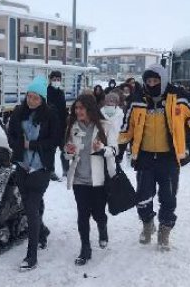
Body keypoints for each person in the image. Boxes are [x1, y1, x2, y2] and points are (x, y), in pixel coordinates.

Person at [119, 64, 190, 251]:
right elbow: (127, 128)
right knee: (142, 197)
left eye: (156, 81)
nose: (152, 84)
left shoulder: (178, 98)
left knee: (168, 198)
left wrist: (188, 129)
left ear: (163, 80)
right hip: (145, 157)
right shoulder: (137, 100)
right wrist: (117, 148)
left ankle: (165, 230)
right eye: (149, 81)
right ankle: (147, 223)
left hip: (169, 158)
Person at [7, 76, 60, 271]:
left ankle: (32, 256)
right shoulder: (19, 112)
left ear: (43, 99)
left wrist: (33, 145)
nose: (31, 101)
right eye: (29, 96)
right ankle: (43, 231)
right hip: (22, 165)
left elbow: (54, 141)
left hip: (40, 167)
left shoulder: (50, 115)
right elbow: (11, 135)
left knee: (30, 206)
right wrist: (20, 145)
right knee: (31, 203)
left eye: (35, 98)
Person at [64, 94, 118, 265]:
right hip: (79, 179)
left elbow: (115, 151)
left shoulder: (105, 126)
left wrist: (102, 149)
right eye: (76, 108)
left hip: (98, 180)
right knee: (82, 215)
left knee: (98, 214)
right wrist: (69, 151)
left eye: (81, 107)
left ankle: (102, 228)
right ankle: (85, 249)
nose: (78, 111)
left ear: (90, 108)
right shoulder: (73, 126)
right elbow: (66, 153)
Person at [47, 70, 68, 181]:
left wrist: (66, 122)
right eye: (54, 79)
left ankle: (66, 170)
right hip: (50, 127)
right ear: (50, 80)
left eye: (58, 80)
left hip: (62, 126)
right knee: (51, 150)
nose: (56, 81)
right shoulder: (46, 92)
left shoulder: (61, 93)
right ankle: (51, 171)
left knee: (64, 149)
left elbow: (63, 109)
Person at [102, 91, 126, 172]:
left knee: (112, 164)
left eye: (113, 100)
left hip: (114, 141)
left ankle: (113, 178)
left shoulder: (120, 113)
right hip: (102, 140)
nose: (111, 102)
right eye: (109, 100)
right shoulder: (101, 112)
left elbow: (121, 126)